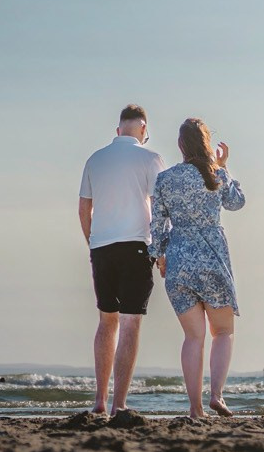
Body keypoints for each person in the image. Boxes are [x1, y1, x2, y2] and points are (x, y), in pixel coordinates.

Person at [151, 118, 246, 418]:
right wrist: (224, 165)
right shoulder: (215, 174)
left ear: (180, 145)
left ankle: (195, 409)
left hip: (179, 259)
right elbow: (236, 203)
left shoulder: (165, 179)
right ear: (206, 144)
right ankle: (216, 395)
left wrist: (159, 255)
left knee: (193, 337)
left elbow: (156, 225)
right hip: (213, 258)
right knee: (222, 332)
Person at [77, 103, 163, 419]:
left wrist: (93, 242)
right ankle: (118, 404)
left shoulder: (95, 159)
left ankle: (99, 399)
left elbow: (84, 209)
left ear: (118, 130)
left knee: (106, 320)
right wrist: (162, 251)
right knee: (130, 322)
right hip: (136, 246)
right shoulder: (151, 158)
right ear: (143, 130)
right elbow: (160, 209)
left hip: (102, 247)